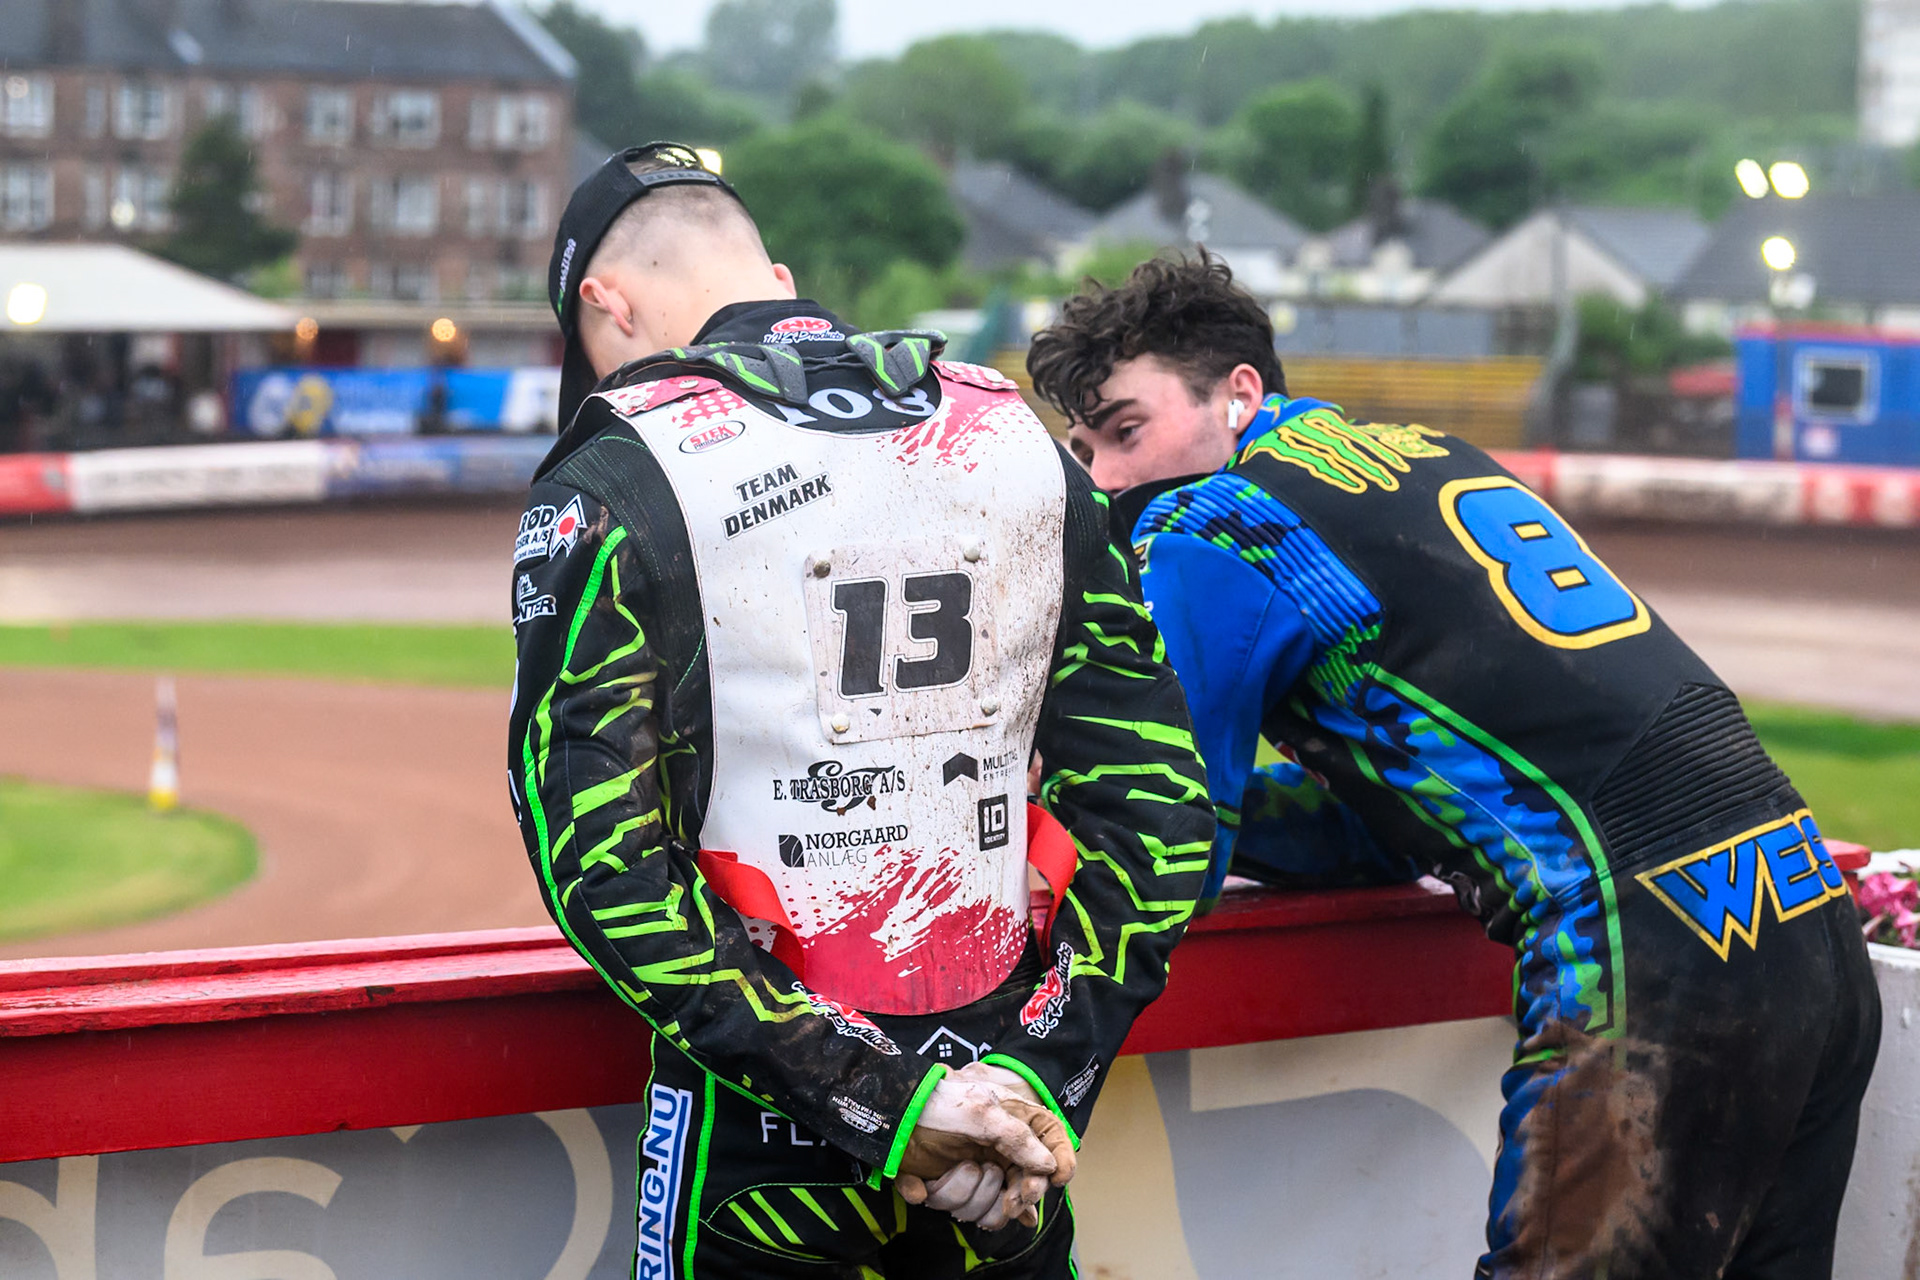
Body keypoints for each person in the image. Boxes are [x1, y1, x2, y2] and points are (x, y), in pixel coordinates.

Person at [1026, 252, 1881, 1280]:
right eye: (1082, 450)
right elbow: (1383, 821)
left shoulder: (1210, 519)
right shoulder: (1428, 451)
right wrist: (1240, 814)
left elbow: (1173, 847)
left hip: (1647, 945)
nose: (1105, 479)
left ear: (1239, 393)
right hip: (1801, 903)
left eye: (1127, 430)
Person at [507, 144, 1212, 1277]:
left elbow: (602, 862)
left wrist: (886, 1104)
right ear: (778, 278)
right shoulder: (1019, 440)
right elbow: (1161, 812)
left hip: (759, 1154)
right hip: (1010, 1130)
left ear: (608, 303)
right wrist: (1036, 1075)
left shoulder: (619, 467)